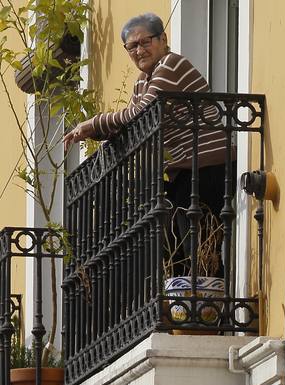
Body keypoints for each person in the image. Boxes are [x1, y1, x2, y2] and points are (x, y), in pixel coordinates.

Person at [64, 13, 231, 272]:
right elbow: (132, 129)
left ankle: (207, 303)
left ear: (163, 39)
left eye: (145, 42)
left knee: (198, 246)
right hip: (183, 171)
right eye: (132, 46)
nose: (139, 50)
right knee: (178, 250)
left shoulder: (171, 64)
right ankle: (185, 305)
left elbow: (141, 113)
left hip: (207, 166)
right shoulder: (143, 82)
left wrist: (93, 124)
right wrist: (95, 133)